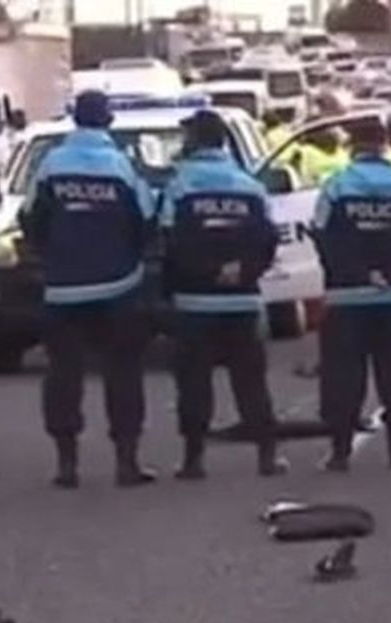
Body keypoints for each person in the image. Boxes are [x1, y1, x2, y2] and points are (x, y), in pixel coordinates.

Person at [19, 89, 158, 489]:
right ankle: (126, 463)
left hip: (63, 289)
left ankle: (67, 464)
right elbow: (145, 221)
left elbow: (31, 219)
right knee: (123, 373)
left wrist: (54, 256)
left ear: (74, 120)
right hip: (118, 286)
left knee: (63, 374)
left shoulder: (51, 165)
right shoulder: (121, 166)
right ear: (108, 121)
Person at [160, 111, 288, 480]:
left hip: (194, 302)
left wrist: (198, 275)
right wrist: (242, 271)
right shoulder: (249, 186)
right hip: (243, 301)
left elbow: (171, 241)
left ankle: (193, 460)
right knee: (250, 380)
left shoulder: (180, 186)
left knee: (194, 383)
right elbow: (268, 240)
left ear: (195, 142)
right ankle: (267, 456)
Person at [312, 117, 391, 471]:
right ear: (385, 147)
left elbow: (322, 238)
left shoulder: (336, 186)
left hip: (346, 301)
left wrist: (356, 274)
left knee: (343, 378)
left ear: (352, 147)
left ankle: (340, 454)